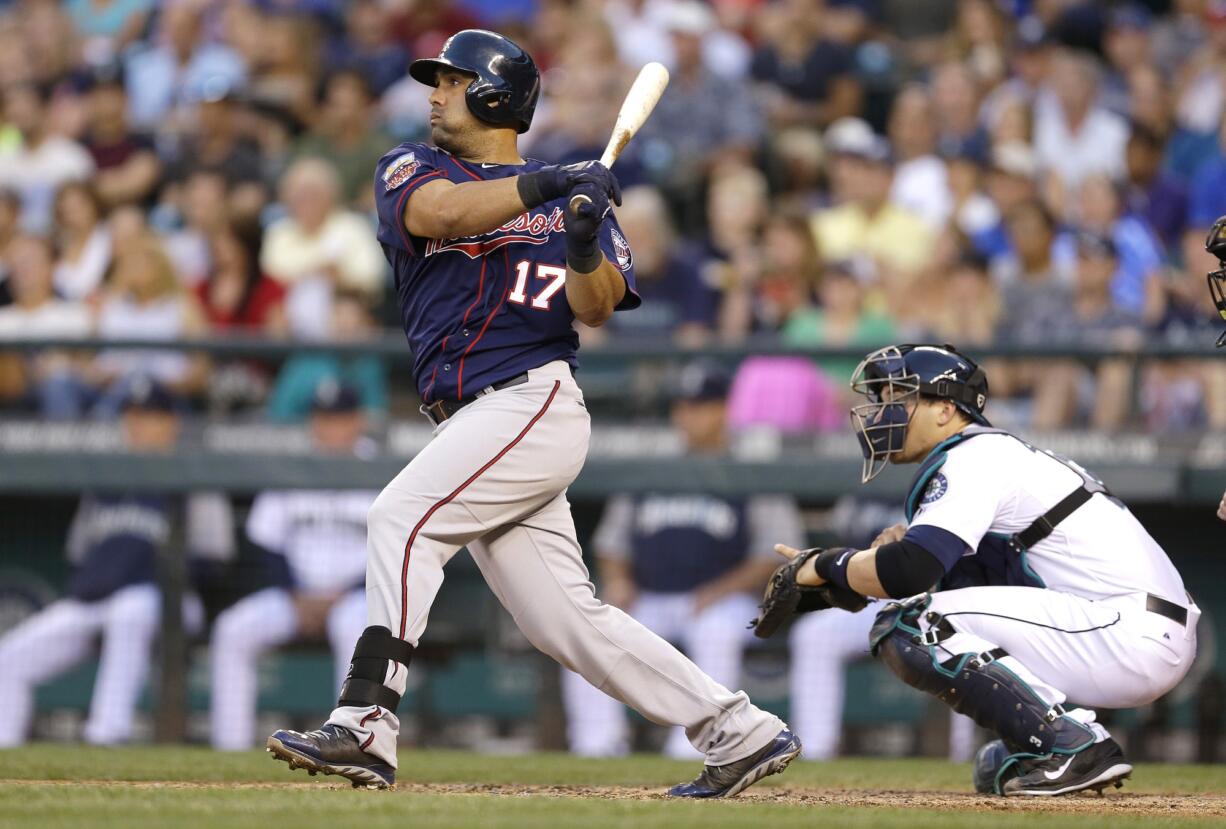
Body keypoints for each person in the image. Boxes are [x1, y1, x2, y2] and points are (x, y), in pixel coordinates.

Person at [265, 29, 799, 798]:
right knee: (565, 622)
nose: (435, 93)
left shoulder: (569, 201)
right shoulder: (414, 167)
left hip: (529, 398)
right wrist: (551, 184)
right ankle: (737, 728)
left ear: (495, 94)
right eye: (436, 81)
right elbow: (444, 216)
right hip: (473, 419)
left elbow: (600, 305)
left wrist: (582, 241)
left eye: (451, 80)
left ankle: (366, 721)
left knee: (400, 519)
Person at [764, 344, 1197, 796]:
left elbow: (909, 574)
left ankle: (1071, 743)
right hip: (1131, 629)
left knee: (912, 624)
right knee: (996, 765)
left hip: (1125, 630)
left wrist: (827, 564)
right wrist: (861, 575)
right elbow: (942, 578)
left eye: (899, 398)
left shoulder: (974, 456)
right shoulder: (991, 455)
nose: (882, 412)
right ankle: (1049, 742)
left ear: (946, 409)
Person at [562, 363, 804, 758]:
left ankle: (697, 745)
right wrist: (619, 579)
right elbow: (612, 543)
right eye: (683, 406)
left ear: (725, 410)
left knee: (714, 631)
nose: (687, 416)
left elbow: (775, 554)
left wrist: (720, 590)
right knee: (589, 630)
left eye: (700, 406)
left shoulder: (750, 471)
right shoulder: (654, 469)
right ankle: (597, 742)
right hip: (653, 598)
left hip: (726, 602)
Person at [0, 378, 231, 746]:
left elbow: (214, 557)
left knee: (131, 610)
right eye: (132, 416)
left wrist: (151, 575)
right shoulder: (106, 478)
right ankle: (6, 752)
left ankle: (106, 734)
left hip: (168, 601)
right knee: (9, 656)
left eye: (150, 416)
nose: (138, 425)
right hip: (98, 601)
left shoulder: (193, 474)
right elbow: (79, 553)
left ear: (171, 422)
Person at [210, 382, 376, 751]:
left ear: (358, 421)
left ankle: (351, 742)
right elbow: (266, 543)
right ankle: (230, 746)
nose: (330, 428)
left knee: (356, 631)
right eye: (323, 419)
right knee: (232, 630)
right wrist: (295, 594)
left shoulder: (381, 468)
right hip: (293, 594)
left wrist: (343, 593)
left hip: (357, 595)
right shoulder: (295, 466)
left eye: (339, 419)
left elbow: (395, 547)